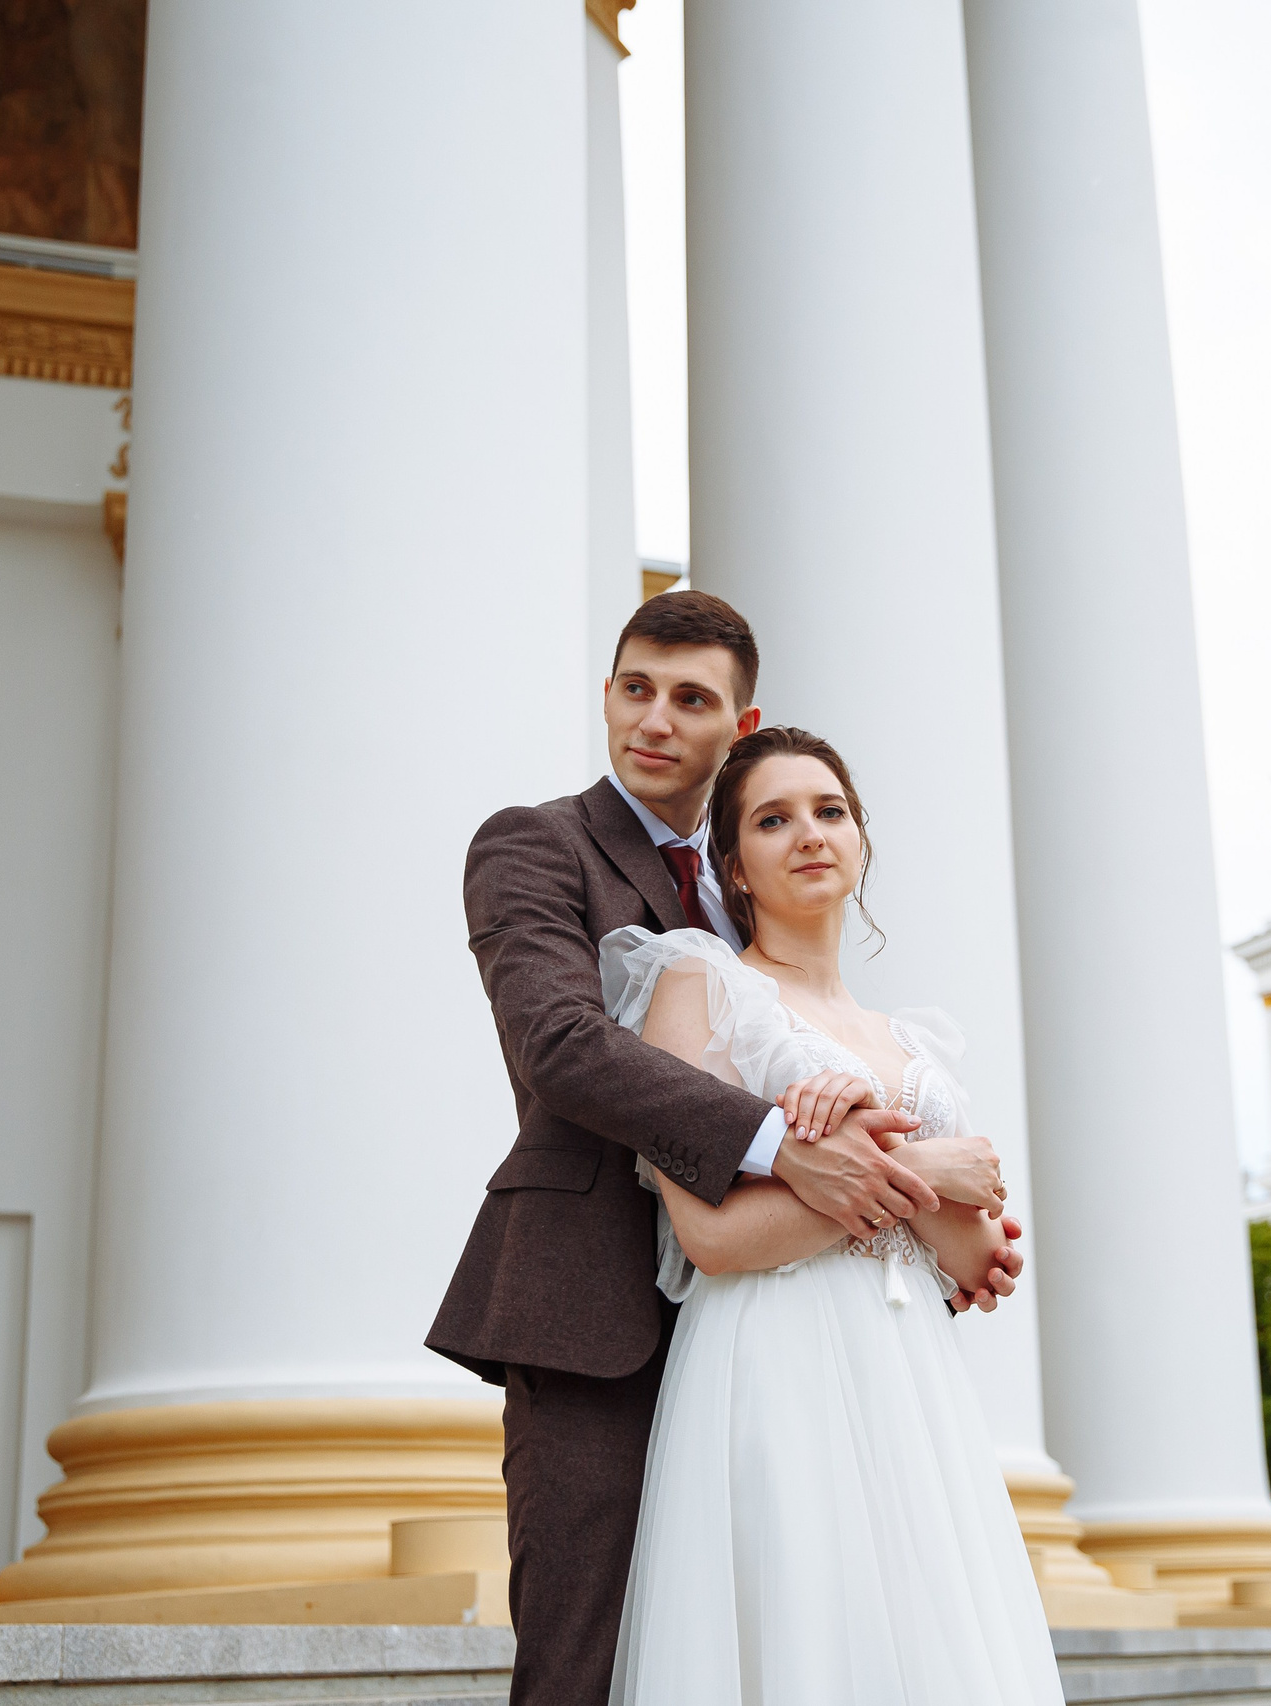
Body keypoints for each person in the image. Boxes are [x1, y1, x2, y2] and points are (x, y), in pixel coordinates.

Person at [427, 594, 1024, 1706]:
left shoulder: (754, 872)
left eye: (690, 698)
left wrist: (936, 1233)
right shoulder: (537, 841)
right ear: (607, 693)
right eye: (635, 687)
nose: (653, 719)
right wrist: (798, 1153)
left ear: (739, 724)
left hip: (782, 1333)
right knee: (586, 1655)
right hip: (594, 1308)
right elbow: (559, 1043)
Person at [602, 725, 1063, 1704]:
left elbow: (975, 1258)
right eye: (773, 818)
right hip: (771, 1361)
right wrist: (926, 1164)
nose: (809, 832)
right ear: (734, 864)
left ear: (859, 840)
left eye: (830, 810)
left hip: (910, 1379)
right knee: (805, 1632)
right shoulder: (701, 987)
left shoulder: (913, 1040)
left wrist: (858, 1164)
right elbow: (714, 1238)